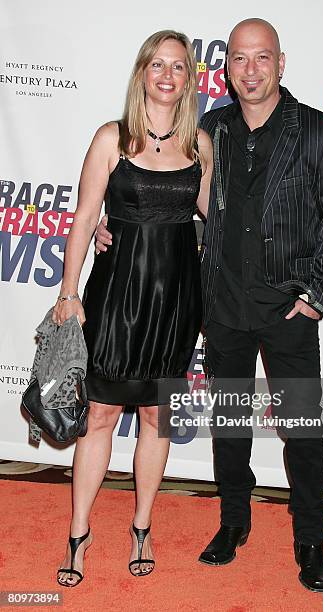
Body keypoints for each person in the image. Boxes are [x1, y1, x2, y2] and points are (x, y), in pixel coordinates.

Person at [96, 18, 323, 593]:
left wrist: (316, 298)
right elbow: (163, 194)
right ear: (227, 66)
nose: (251, 69)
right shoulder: (207, 129)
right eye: (239, 58)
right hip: (223, 308)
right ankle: (233, 521)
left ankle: (309, 537)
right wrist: (106, 228)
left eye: (262, 58)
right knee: (231, 427)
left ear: (281, 63)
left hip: (289, 311)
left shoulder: (318, 132)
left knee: (301, 429)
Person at [53, 29, 212, 587]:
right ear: (142, 72)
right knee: (98, 414)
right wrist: (69, 293)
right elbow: (80, 221)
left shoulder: (201, 145)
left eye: (178, 66)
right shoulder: (111, 139)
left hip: (176, 302)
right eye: (157, 65)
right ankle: (78, 531)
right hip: (117, 296)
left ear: (189, 78)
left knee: (156, 415)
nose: (167, 75)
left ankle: (141, 525)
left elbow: (211, 221)